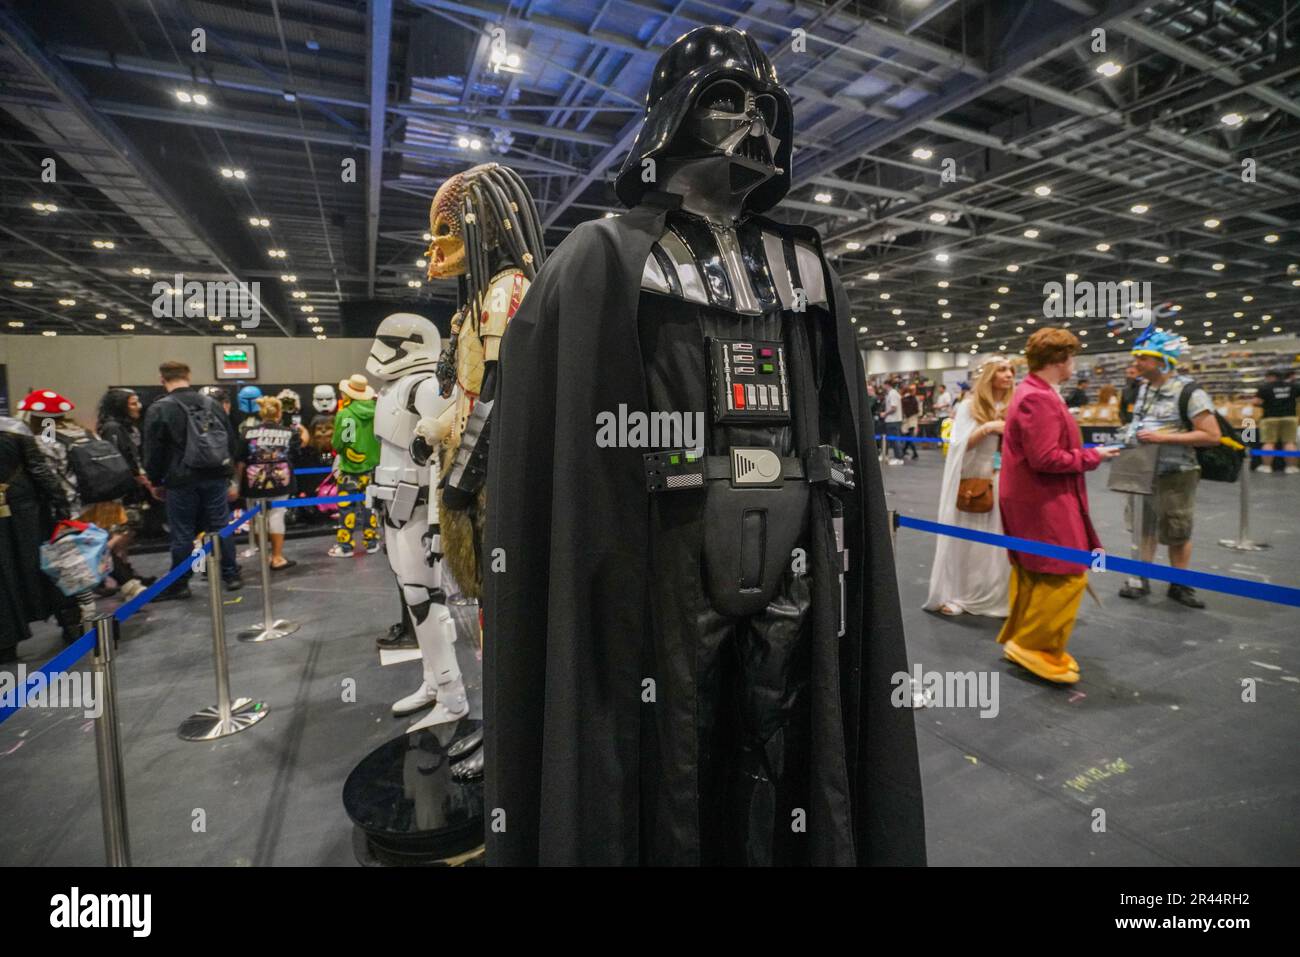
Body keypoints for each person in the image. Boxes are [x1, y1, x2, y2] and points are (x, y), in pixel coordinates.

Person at [997, 328, 1119, 684]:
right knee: (1066, 570)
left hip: (1037, 496)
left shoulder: (1035, 392)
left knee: (1039, 570)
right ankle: (1032, 645)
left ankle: (1036, 644)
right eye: (1072, 357)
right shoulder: (1038, 398)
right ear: (1060, 360)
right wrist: (1093, 456)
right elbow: (1046, 458)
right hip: (1042, 499)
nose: (1074, 363)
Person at [1118, 330, 1220, 608]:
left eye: (1143, 358)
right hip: (1142, 472)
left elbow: (1211, 435)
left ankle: (1179, 583)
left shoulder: (1190, 392)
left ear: (1163, 361)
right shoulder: (1143, 389)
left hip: (1176, 473)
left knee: (1178, 530)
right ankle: (1141, 578)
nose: (1136, 363)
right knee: (1143, 529)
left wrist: (1163, 438)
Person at [142, 360, 242, 600]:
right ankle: (231, 574)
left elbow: (154, 450)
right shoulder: (211, 404)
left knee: (183, 532)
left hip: (180, 479)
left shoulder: (160, 408)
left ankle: (180, 583)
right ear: (188, 376)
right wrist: (227, 474)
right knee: (220, 526)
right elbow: (230, 441)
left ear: (162, 379)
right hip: (215, 475)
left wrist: (155, 481)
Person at [924, 360, 1014, 617]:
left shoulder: (1014, 405)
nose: (1008, 375)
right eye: (1002, 370)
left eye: (1011, 370)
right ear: (988, 375)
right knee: (968, 544)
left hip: (1004, 480)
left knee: (997, 547)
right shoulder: (969, 406)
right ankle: (960, 594)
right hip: (973, 480)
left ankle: (997, 594)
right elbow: (958, 446)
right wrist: (988, 428)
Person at [0, 414, 81, 657]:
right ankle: (70, 624)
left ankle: (6, 643)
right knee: (47, 564)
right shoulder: (15, 429)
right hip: (27, 510)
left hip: (19, 510)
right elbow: (39, 469)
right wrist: (61, 503)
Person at [236, 396, 303, 570]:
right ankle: (277, 557)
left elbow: (240, 460)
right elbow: (298, 451)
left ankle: (265, 557)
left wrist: (237, 483)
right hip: (282, 479)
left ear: (261, 413)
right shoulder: (289, 432)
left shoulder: (247, 432)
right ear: (279, 413)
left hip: (254, 481)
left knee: (258, 518)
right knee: (277, 515)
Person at [329, 374, 380, 558]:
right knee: (370, 507)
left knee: (346, 508)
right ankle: (372, 542)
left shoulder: (346, 414)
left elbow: (340, 443)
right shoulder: (377, 411)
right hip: (373, 468)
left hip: (349, 469)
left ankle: (346, 546)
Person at [1255, 368, 1299, 475]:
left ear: (1271, 377)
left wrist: (1266, 404)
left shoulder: (1265, 387)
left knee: (1269, 443)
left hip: (1270, 418)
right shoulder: (1294, 386)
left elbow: (1256, 402)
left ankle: (1266, 466)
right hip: (1290, 417)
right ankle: (1291, 467)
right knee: (1289, 442)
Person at [883, 378, 904, 464]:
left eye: (884, 385)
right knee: (893, 440)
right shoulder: (891, 394)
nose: (883, 387)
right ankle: (896, 457)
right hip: (892, 421)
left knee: (895, 440)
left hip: (893, 421)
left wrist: (885, 414)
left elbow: (893, 408)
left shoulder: (893, 394)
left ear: (887, 385)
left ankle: (899, 458)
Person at [900, 383, 920, 460]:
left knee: (908, 437)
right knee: (909, 437)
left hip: (908, 420)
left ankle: (914, 453)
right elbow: (917, 410)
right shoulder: (913, 398)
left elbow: (906, 410)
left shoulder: (903, 399)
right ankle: (905, 451)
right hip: (912, 419)